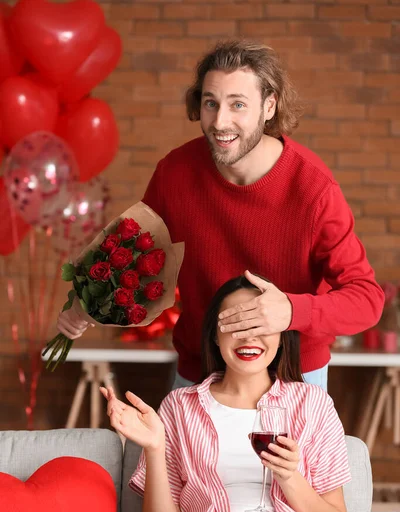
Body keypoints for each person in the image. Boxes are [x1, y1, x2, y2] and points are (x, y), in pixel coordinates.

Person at [58, 39, 384, 393]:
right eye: (211, 103)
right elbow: (137, 255)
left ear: (269, 106)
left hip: (293, 378)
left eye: (238, 105)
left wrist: (291, 311)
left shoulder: (314, 189)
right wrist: (86, 304)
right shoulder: (175, 173)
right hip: (201, 372)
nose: (220, 121)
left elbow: (367, 299)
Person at [100, 274, 356, 512]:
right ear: (215, 337)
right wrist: (153, 447)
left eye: (259, 324)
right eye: (234, 324)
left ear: (280, 335)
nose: (248, 337)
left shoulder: (312, 405)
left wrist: (290, 477)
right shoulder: (180, 408)